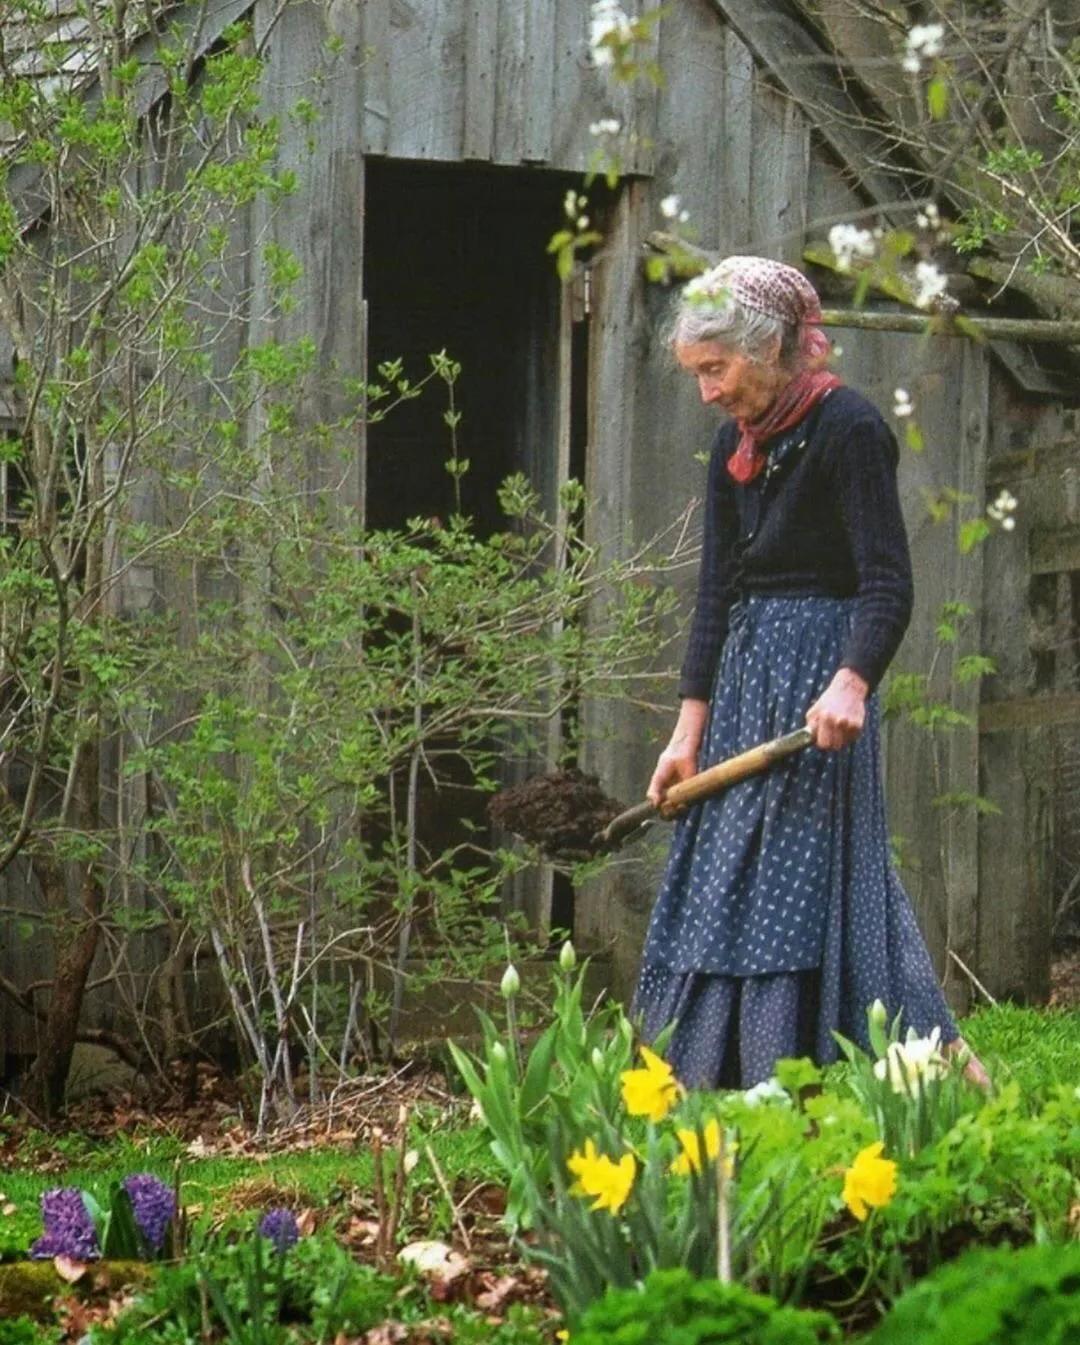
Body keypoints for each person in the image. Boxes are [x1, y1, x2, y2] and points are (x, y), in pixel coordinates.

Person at [632, 255, 988, 1091]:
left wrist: (851, 682)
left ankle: (824, 1074)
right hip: (743, 687)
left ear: (768, 348)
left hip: (816, 698)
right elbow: (716, 594)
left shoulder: (849, 429)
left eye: (715, 369)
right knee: (719, 880)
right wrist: (687, 733)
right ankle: (698, 1081)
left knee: (801, 890)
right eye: (696, 374)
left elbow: (887, 584)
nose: (707, 392)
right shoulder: (734, 444)